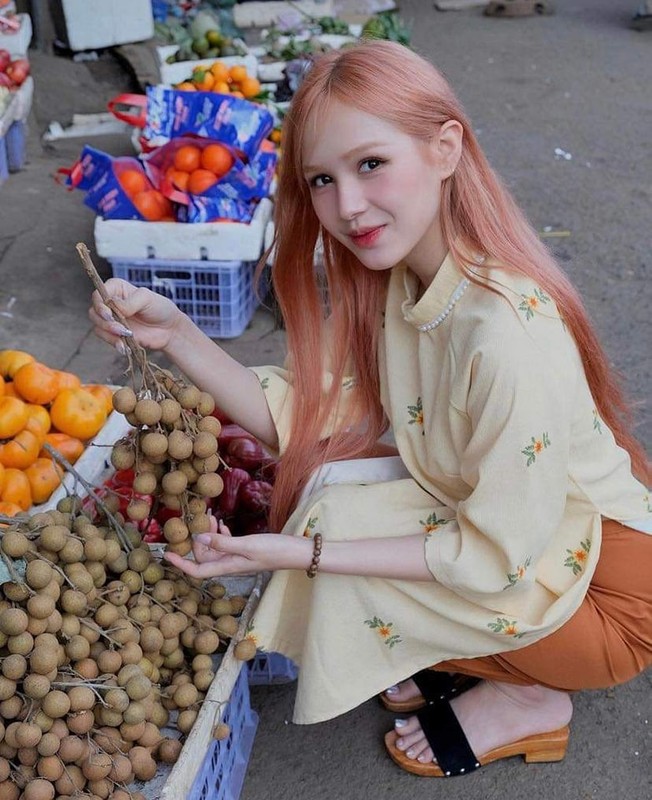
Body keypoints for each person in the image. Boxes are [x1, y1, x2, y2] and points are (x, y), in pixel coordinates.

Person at [90, 40, 652, 779]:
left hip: (608, 603)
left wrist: (297, 554)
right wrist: (177, 334)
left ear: (445, 147)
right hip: (540, 540)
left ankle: (536, 696)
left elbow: (491, 557)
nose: (346, 206)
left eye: (371, 164)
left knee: (330, 545)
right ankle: (473, 654)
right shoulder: (409, 282)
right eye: (322, 178)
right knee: (332, 500)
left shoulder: (508, 335)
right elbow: (311, 421)